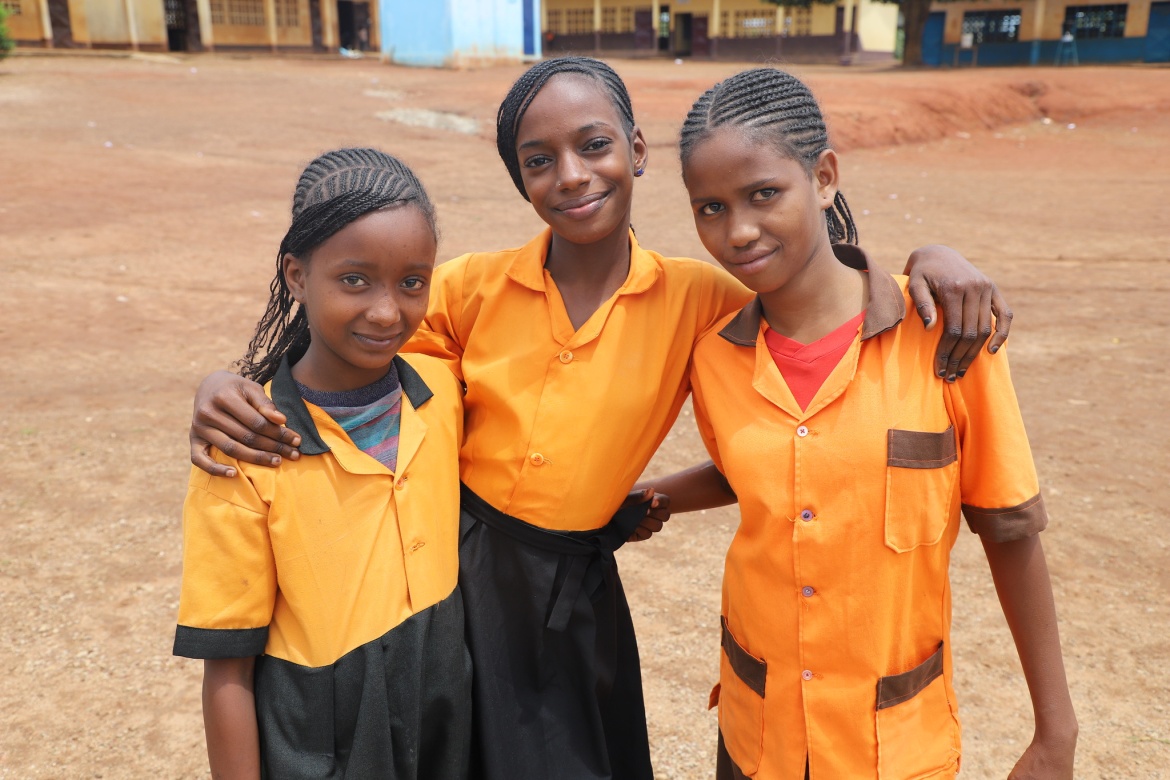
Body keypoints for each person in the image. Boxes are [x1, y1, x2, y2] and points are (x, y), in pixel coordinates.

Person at [185, 59, 1015, 780]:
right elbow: (353, 338)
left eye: (593, 145)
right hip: (458, 575)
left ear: (638, 152)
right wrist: (229, 382)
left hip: (575, 585)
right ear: (519, 179)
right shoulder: (468, 288)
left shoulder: (701, 300)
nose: (572, 175)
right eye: (538, 160)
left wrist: (916, 265)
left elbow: (808, 307)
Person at [658, 68, 1077, 779]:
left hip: (892, 749)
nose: (739, 231)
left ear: (824, 178)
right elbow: (755, 472)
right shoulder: (717, 357)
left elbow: (1010, 531)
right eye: (710, 208)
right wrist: (650, 500)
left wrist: (1054, 732)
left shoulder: (946, 336)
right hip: (758, 738)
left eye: (764, 194)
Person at [172, 148, 471, 780]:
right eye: (355, 280)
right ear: (298, 275)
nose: (388, 312)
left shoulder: (445, 389)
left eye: (412, 282)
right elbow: (227, 669)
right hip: (322, 734)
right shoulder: (248, 449)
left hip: (448, 699)